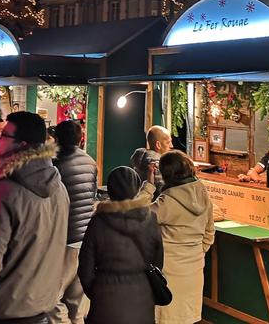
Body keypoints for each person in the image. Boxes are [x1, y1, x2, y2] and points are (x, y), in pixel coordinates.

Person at [0, 111, 69, 323]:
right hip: (42, 305)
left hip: (4, 310)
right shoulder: (60, 189)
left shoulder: (3, 193)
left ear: (21, 145)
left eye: (4, 136)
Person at [78, 166, 163, 324]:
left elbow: (85, 269)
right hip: (142, 301)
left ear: (110, 190)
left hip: (105, 303)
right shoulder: (150, 219)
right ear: (137, 189)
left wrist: (98, 293)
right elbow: (158, 263)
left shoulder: (98, 221)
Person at [143, 150, 214, 324]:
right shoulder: (203, 195)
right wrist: (197, 253)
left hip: (169, 270)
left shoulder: (166, 202)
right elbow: (209, 233)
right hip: (195, 269)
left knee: (168, 317)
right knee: (188, 317)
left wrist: (148, 187)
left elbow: (138, 216)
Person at [49, 120, 97, 324]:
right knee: (77, 302)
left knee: (50, 297)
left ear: (57, 139)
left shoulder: (54, 163)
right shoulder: (90, 161)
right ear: (80, 138)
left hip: (64, 238)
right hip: (85, 239)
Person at [130, 125, 173, 197]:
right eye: (168, 142)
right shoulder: (156, 166)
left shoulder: (140, 160)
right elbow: (164, 195)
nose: (171, 146)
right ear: (158, 145)